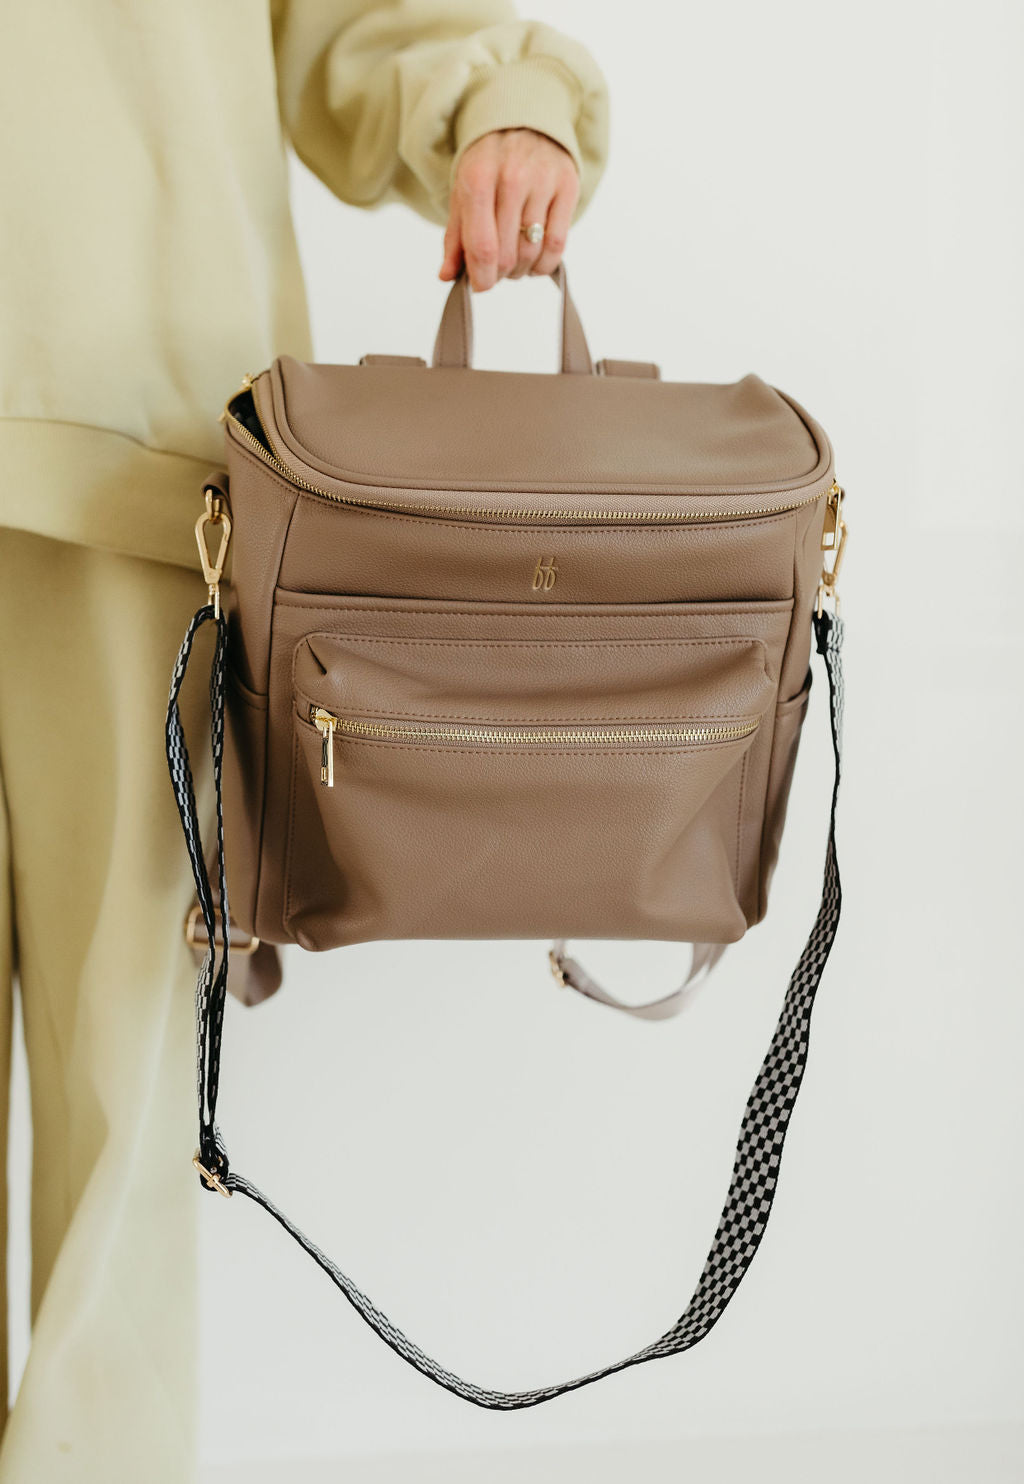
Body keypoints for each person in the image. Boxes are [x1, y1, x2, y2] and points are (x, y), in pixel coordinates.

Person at [0, 3, 609, 1478]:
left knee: (127, 1110)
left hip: (130, 428)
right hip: (137, 423)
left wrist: (496, 104)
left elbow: (354, 22)